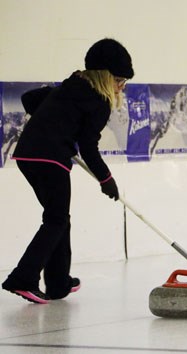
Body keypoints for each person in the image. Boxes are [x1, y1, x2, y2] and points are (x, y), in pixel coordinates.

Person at [2, 38, 134, 304]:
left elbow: (29, 98)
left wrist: (54, 119)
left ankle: (58, 282)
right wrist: (106, 180)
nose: (121, 87)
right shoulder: (99, 101)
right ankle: (23, 278)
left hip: (27, 154)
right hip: (50, 160)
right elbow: (88, 146)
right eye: (119, 80)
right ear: (106, 77)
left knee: (59, 217)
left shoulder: (69, 87)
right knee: (56, 220)